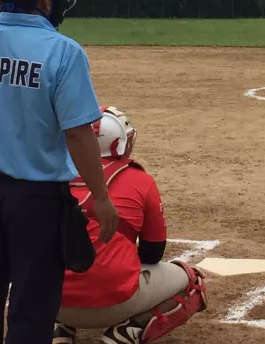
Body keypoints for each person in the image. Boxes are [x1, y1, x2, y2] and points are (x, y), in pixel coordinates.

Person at [0, 0, 119, 344]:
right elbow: (77, 134)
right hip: (38, 201)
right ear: (47, 0)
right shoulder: (63, 50)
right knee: (33, 306)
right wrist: (100, 195)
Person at [53, 106, 207, 344]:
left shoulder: (50, 175)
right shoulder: (138, 180)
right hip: (115, 300)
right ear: (117, 143)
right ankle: (126, 333)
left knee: (58, 258)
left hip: (50, 300)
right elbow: (152, 252)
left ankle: (58, 330)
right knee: (192, 281)